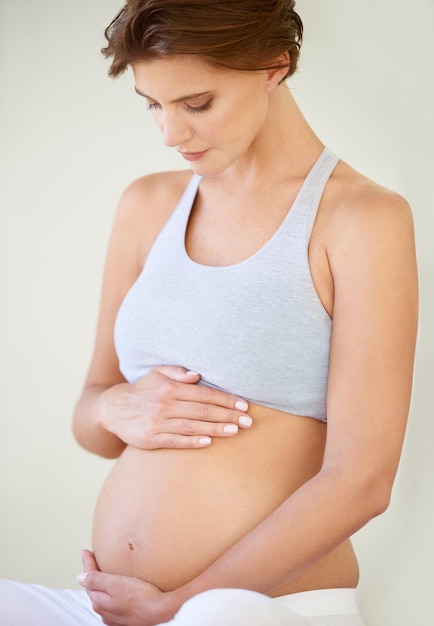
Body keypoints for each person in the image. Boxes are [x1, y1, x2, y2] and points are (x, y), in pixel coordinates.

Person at [0, 1, 418, 625]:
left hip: (257, 607)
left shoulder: (362, 221)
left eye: (196, 104)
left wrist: (179, 604)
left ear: (275, 65)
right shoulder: (147, 205)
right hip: (116, 605)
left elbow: (361, 483)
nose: (170, 134)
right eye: (152, 104)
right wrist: (116, 406)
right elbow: (91, 422)